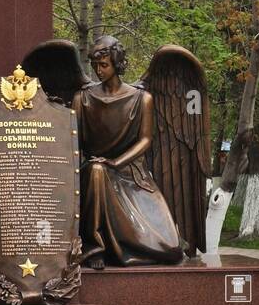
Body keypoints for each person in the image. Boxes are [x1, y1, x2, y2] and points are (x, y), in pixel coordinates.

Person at [72, 35, 186, 267]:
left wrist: (116, 163)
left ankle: (126, 245)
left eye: (103, 65)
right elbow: (73, 140)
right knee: (96, 170)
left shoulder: (141, 99)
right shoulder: (82, 98)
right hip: (92, 174)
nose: (98, 71)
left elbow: (145, 140)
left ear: (117, 63)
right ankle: (95, 248)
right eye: (95, 66)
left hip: (131, 174)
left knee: (171, 249)